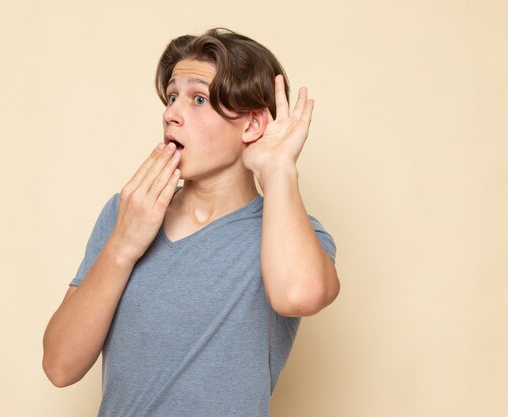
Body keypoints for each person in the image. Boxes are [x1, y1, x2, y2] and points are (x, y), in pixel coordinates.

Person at [42, 28, 339, 417]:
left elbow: (298, 295)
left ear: (251, 125)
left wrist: (279, 167)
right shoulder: (124, 213)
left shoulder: (292, 232)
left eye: (198, 98)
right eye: (171, 97)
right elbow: (60, 366)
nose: (170, 113)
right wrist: (122, 248)